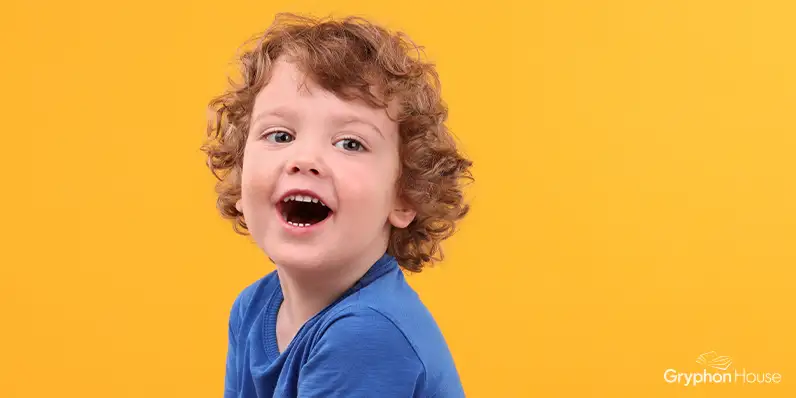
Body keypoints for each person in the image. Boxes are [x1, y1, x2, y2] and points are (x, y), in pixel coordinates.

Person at [201, 12, 473, 397]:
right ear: (240, 179)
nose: (304, 158)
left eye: (350, 143)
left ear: (406, 195)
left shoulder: (367, 334)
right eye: (279, 135)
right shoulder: (253, 308)